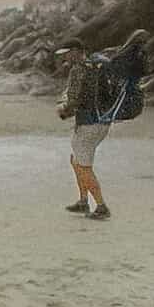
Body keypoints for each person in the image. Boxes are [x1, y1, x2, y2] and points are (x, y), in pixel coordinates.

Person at [55, 36, 112, 220]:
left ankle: (101, 206)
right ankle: (82, 201)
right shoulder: (98, 65)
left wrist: (63, 111)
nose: (65, 58)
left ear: (76, 51)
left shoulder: (79, 70)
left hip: (88, 123)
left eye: (67, 53)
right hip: (103, 121)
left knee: (83, 166)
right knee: (76, 160)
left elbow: (75, 99)